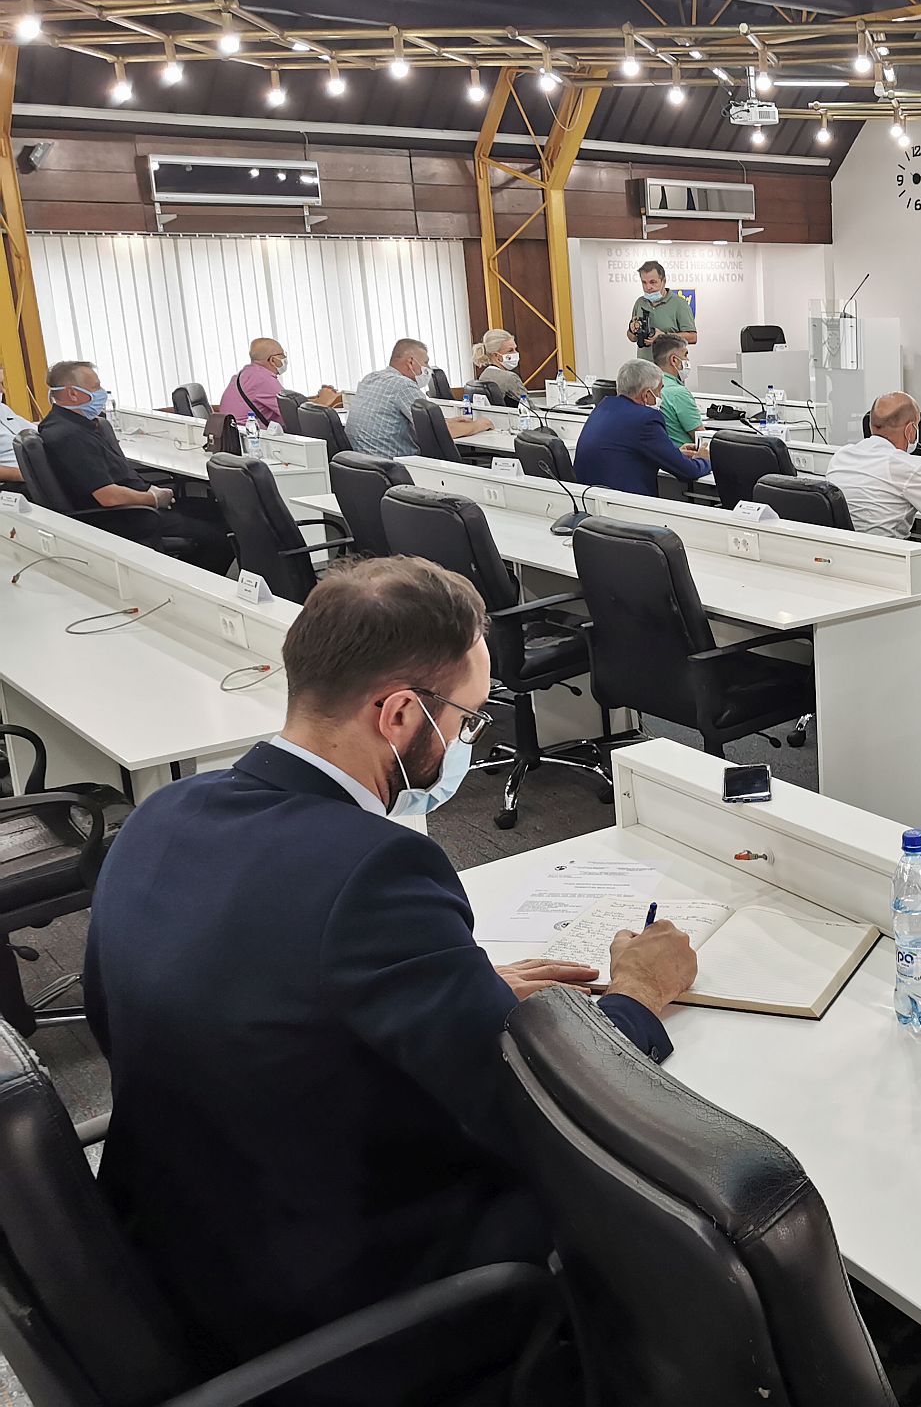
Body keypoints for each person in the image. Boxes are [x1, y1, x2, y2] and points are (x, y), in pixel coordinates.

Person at [82, 555, 700, 1404]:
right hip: (337, 1298)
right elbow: (542, 1112)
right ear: (401, 712)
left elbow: (196, 998)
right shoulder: (374, 867)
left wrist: (457, 985)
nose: (469, 742)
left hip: (174, 1249)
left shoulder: (163, 815)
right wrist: (638, 993)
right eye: (469, 719)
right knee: (664, 1219)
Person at [38, 359, 233, 573]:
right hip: (124, 516)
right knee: (222, 535)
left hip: (133, 505)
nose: (102, 393)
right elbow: (108, 496)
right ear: (73, 394)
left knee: (221, 511)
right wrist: (153, 498)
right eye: (95, 387)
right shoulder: (69, 435)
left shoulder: (76, 424)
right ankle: (186, 583)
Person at [827, 391, 921, 650]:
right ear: (911, 430)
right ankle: (918, 656)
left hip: (844, 569)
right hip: (891, 576)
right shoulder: (906, 466)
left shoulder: (842, 457)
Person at [573, 357, 709, 497]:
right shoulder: (646, 419)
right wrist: (705, 459)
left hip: (588, 496)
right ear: (646, 395)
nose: (661, 396)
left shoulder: (603, 407)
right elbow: (688, 472)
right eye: (660, 390)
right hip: (624, 502)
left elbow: (627, 450)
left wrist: (674, 453)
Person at [346, 337, 489, 460]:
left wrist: (448, 421)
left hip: (364, 465)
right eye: (425, 362)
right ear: (410, 362)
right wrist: (480, 424)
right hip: (395, 465)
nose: (428, 368)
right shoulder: (403, 385)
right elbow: (441, 432)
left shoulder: (370, 378)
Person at [217, 337, 341, 429]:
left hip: (238, 435)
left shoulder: (247, 374)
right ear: (272, 360)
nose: (284, 359)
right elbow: (299, 417)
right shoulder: (261, 378)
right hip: (252, 439)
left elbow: (287, 404)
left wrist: (316, 399)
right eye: (282, 355)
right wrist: (324, 400)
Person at [625, 260, 697, 348]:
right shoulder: (640, 302)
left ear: (664, 281)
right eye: (644, 282)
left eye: (653, 282)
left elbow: (693, 337)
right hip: (644, 357)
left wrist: (664, 337)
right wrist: (632, 330)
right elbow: (631, 337)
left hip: (670, 357)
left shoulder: (679, 303)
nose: (648, 287)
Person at [650, 332, 703, 450]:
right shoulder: (678, 393)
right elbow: (701, 438)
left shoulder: (648, 387)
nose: (687, 360)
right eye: (685, 355)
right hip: (687, 455)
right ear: (674, 360)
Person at [471, 328, 527, 404]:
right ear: (496, 355)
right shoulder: (510, 378)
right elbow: (529, 406)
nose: (515, 353)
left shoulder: (484, 375)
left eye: (515, 349)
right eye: (510, 350)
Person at [0, 394, 29, 484]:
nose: (2, 391)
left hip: (41, 466)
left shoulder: (3, 409)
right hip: (15, 481)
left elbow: (33, 429)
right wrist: (25, 475)